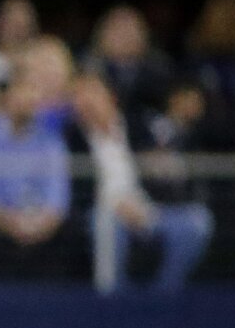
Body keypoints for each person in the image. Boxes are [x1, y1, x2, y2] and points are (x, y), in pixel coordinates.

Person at [67, 73, 213, 291]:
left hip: (150, 207)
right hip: (105, 211)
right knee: (105, 221)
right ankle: (112, 298)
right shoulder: (72, 138)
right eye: (78, 95)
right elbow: (76, 189)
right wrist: (116, 205)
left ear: (111, 97)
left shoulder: (140, 126)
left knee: (198, 221)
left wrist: (162, 167)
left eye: (92, 92)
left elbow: (168, 164)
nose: (86, 101)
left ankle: (165, 292)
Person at [0, 65, 73, 280]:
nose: (30, 98)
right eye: (22, 90)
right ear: (5, 96)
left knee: (69, 235)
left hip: (43, 230)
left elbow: (58, 198)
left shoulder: (50, 140)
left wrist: (39, 225)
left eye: (33, 90)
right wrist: (13, 224)